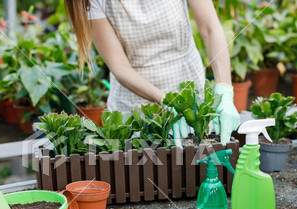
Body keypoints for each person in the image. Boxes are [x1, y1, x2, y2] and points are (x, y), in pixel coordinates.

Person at [65, 0, 240, 145]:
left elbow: (210, 28)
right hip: (133, 107)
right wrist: (165, 100)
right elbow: (119, 66)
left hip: (187, 92)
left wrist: (224, 89)